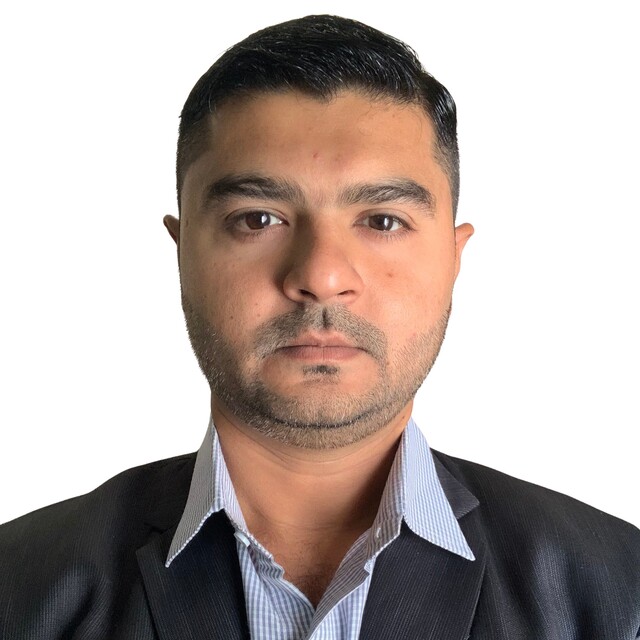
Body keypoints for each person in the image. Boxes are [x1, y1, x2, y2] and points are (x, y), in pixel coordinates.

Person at [1, 14, 638, 640]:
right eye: (257, 218)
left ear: (453, 257)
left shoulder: (620, 597)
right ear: (182, 250)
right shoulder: (18, 592)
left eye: (383, 221)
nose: (322, 276)